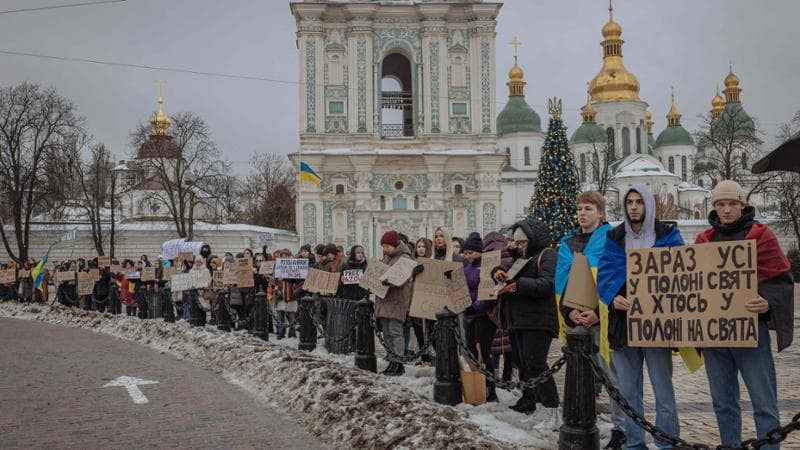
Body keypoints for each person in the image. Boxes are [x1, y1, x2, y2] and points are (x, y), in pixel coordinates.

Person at [695, 180, 794, 450]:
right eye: (720, 204)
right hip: (715, 337)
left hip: (751, 335)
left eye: (732, 204)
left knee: (764, 402)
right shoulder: (704, 241)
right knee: (723, 403)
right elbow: (692, 286)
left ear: (743, 204)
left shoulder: (763, 236)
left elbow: (782, 281)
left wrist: (768, 302)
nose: (726, 210)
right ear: (714, 207)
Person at [597, 184, 686, 450]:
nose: (634, 207)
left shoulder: (667, 235)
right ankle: (634, 444)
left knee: (663, 390)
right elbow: (605, 274)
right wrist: (614, 297)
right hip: (624, 325)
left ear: (648, 204)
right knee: (629, 391)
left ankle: (666, 442)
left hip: (656, 324)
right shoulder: (615, 238)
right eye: (629, 202)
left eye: (639, 202)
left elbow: (681, 273)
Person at [555, 191, 625, 449]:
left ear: (600, 213)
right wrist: (569, 311)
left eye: (589, 209)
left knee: (612, 377)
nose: (583, 213)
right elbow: (561, 283)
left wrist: (597, 311)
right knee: (580, 376)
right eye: (580, 209)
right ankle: (582, 423)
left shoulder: (612, 239)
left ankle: (621, 428)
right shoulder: (568, 243)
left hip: (602, 319)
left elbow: (615, 278)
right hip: (575, 321)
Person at [493, 218, 559, 414]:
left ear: (533, 239)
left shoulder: (547, 255)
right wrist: (497, 272)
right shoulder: (521, 259)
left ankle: (550, 405)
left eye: (523, 242)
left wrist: (518, 286)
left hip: (537, 321)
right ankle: (528, 400)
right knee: (523, 364)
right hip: (518, 320)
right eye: (517, 242)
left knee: (536, 364)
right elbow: (505, 269)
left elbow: (547, 284)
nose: (519, 246)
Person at [461, 232, 498, 402]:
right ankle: (475, 387)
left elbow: (487, 289)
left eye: (471, 253)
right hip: (469, 315)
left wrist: (474, 306)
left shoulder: (487, 266)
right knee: (470, 351)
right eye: (466, 253)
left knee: (484, 352)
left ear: (479, 251)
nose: (468, 256)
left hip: (482, 315)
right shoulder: (466, 267)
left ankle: (490, 390)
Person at [375, 230, 415, 376]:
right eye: (383, 246)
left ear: (394, 245)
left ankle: (398, 363)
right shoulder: (386, 257)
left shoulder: (405, 257)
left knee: (395, 332)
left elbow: (400, 278)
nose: (385, 249)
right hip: (384, 300)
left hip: (397, 300)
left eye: (387, 246)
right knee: (386, 332)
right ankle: (391, 360)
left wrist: (386, 280)